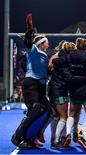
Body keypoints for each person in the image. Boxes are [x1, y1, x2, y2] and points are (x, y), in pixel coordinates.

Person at [11, 13, 50, 149]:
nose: (48, 43)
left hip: (41, 86)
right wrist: (29, 28)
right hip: (31, 84)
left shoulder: (45, 55)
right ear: (41, 44)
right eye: (46, 41)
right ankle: (17, 137)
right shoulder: (33, 50)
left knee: (48, 110)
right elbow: (28, 41)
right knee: (36, 109)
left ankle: (32, 136)